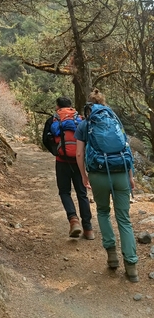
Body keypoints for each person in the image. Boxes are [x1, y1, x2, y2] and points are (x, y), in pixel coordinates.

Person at [75, 88, 139, 283]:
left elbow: (79, 154)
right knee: (124, 219)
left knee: (103, 212)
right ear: (104, 104)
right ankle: (132, 267)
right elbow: (125, 149)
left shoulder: (85, 124)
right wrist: (130, 176)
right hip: (120, 172)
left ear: (90, 106)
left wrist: (84, 176)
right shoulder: (115, 122)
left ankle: (112, 256)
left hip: (98, 174)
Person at [42, 96, 94, 239]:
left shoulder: (54, 119)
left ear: (58, 106)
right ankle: (88, 229)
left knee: (65, 192)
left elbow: (45, 139)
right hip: (79, 161)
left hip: (62, 161)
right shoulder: (80, 119)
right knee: (82, 194)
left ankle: (73, 220)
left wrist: (56, 151)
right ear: (71, 106)